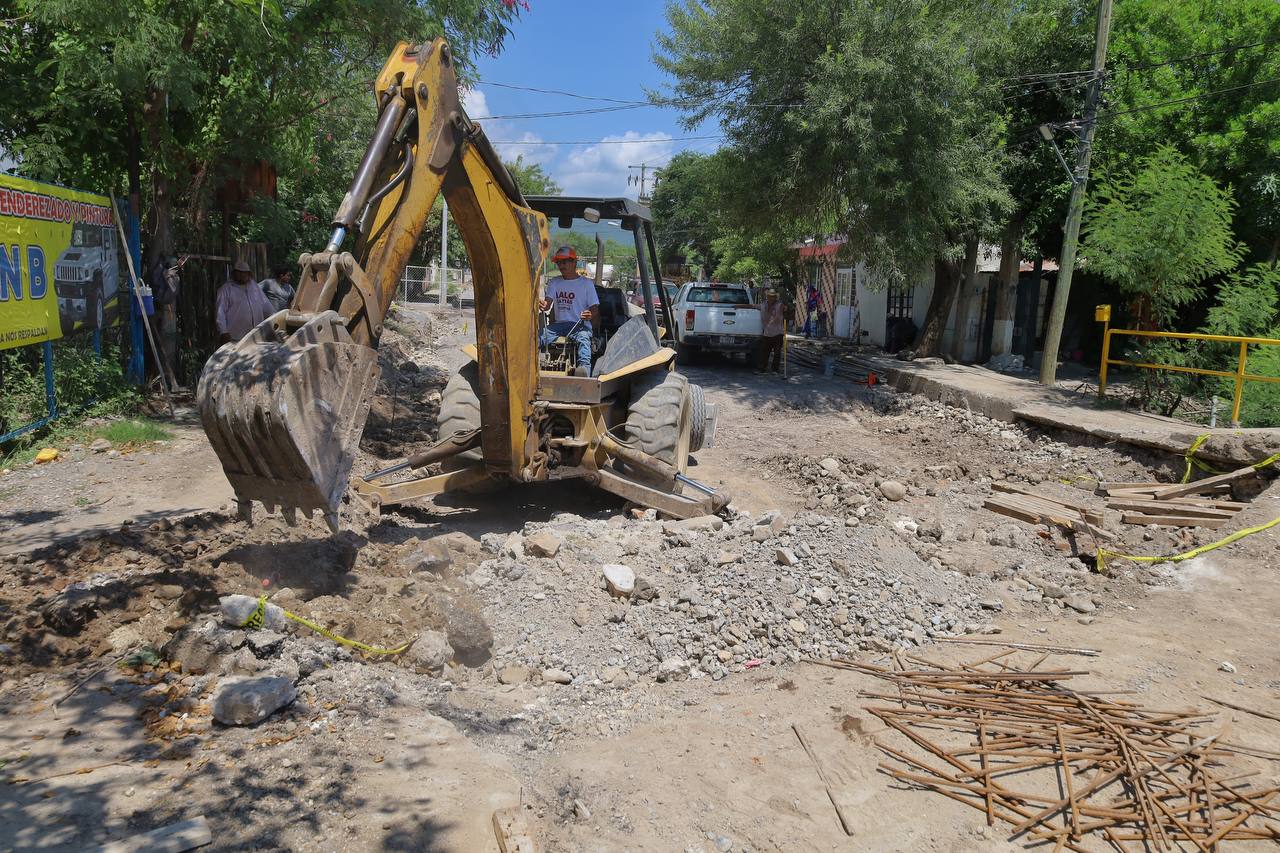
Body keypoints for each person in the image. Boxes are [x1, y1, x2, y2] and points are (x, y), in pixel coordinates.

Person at [538, 245, 599, 373]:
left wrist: (589, 315)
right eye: (559, 262)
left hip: (579, 325)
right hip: (558, 326)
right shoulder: (555, 282)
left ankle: (584, 370)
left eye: (564, 262)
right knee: (538, 337)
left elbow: (595, 310)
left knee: (583, 339)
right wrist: (542, 304)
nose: (561, 265)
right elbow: (547, 304)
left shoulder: (586, 284)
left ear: (574, 262)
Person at [149, 254, 185, 387]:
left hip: (161, 305)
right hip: (156, 307)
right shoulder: (163, 275)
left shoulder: (169, 276)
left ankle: (168, 380)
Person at [215, 260, 273, 343]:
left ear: (249, 274)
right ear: (234, 273)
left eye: (245, 272)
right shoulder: (226, 289)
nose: (243, 275)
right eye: (240, 272)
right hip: (236, 337)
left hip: (257, 335)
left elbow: (266, 305)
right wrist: (223, 331)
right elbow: (220, 312)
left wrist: (274, 319)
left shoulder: (254, 286)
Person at [756, 289, 786, 373]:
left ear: (775, 297)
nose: (771, 298)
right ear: (767, 297)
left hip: (778, 333)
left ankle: (775, 369)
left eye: (773, 297)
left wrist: (785, 308)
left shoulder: (779, 305)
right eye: (769, 296)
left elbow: (785, 307)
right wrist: (738, 305)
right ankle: (761, 368)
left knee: (777, 352)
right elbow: (752, 306)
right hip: (767, 333)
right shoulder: (763, 305)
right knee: (764, 352)